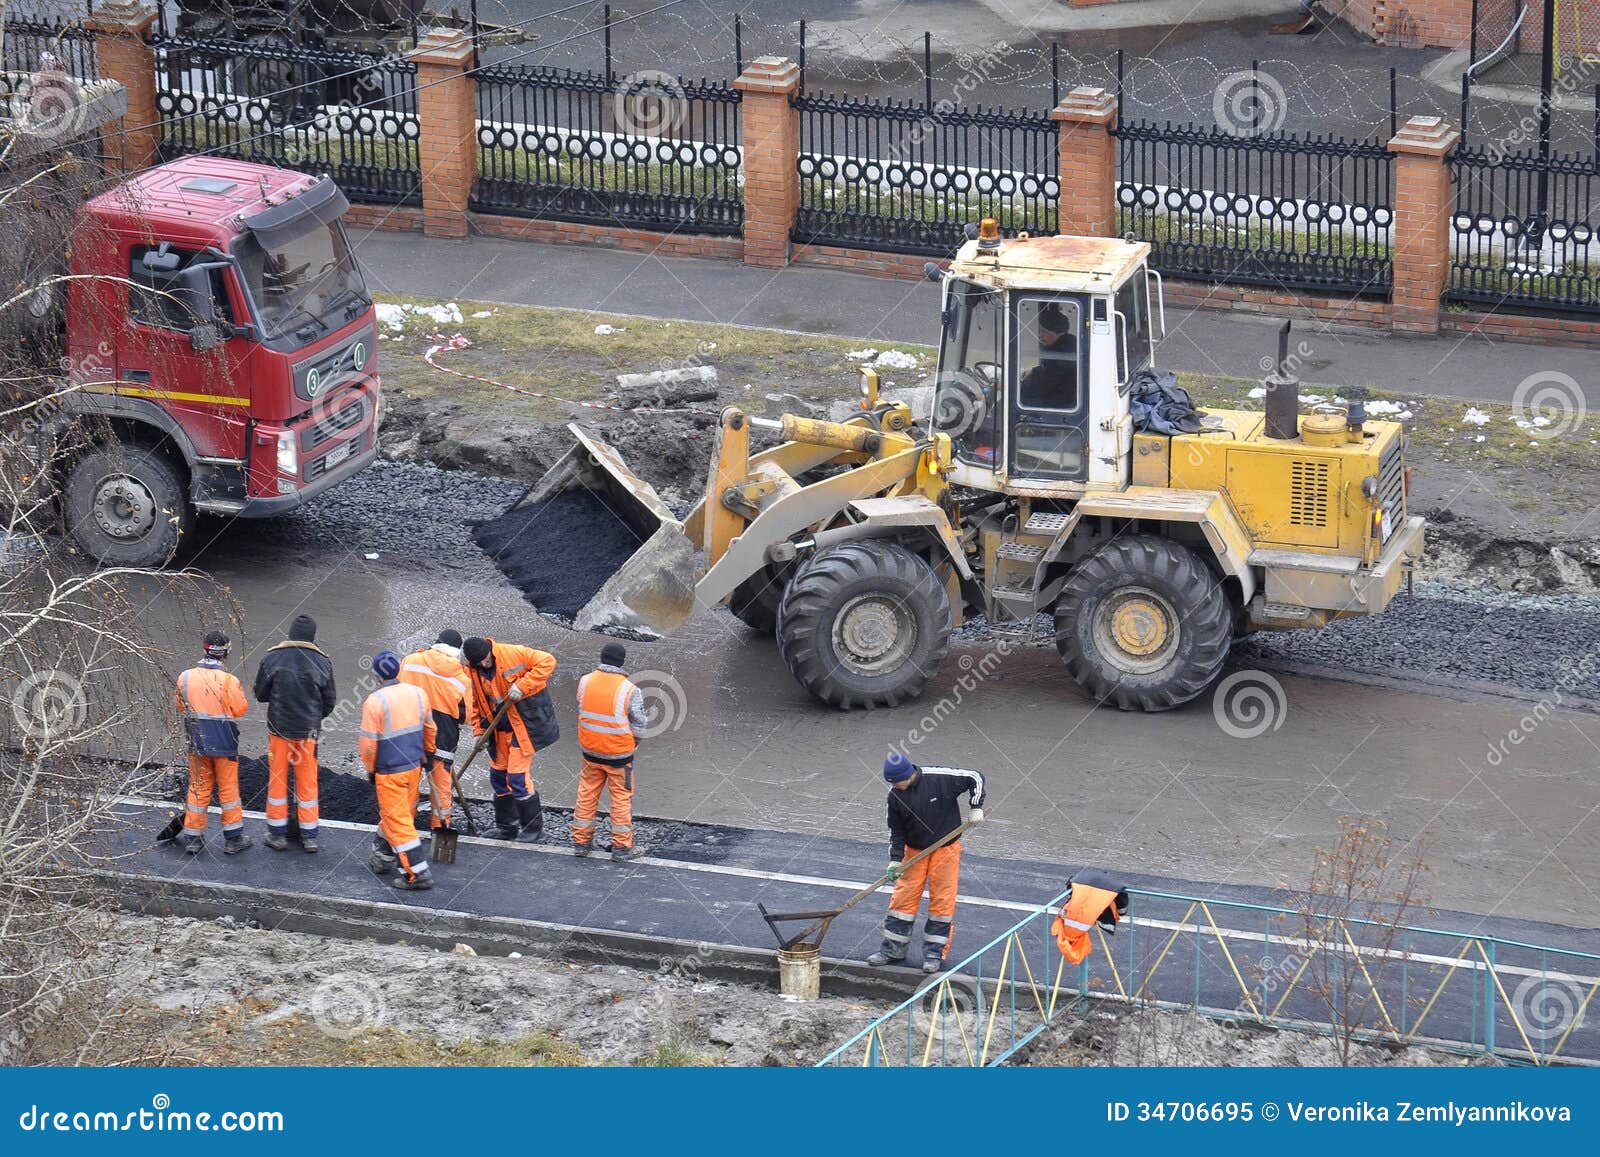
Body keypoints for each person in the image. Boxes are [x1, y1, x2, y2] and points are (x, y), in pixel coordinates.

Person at [866, 752, 987, 973]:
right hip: (913, 851)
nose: (894, 786)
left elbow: (975, 776)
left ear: (908, 774)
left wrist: (976, 806)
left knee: (942, 901)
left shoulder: (940, 779)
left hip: (946, 850)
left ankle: (934, 954)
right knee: (903, 900)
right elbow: (896, 831)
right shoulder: (895, 796)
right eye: (890, 783)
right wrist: (895, 860)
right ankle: (893, 949)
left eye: (896, 782)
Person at [253, 613, 335, 853]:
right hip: (308, 733)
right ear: (313, 636)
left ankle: (277, 834)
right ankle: (309, 836)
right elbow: (330, 701)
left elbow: (260, 693)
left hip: (279, 730)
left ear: (290, 634)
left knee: (277, 781)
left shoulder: (273, 657)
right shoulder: (323, 661)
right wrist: (314, 718)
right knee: (308, 782)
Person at [462, 636, 558, 841]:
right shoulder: (471, 670)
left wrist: (523, 685)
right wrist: (479, 733)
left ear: (490, 651)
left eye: (486, 660)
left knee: (517, 778)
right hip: (499, 732)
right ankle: (507, 827)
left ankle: (534, 830)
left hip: (524, 726)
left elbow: (548, 661)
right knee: (498, 777)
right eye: (479, 663)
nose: (484, 664)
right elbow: (476, 704)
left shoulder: (512, 653)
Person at [360, 650, 437, 891]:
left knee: (397, 821)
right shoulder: (418, 693)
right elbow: (430, 728)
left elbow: (369, 746)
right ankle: (383, 858)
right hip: (413, 766)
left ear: (376, 676)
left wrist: (371, 770)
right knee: (401, 815)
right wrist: (428, 755)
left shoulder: (375, 701)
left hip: (389, 771)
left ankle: (417, 873)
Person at [172, 631, 251, 856]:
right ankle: (233, 839)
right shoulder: (229, 681)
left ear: (205, 649)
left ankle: (193, 839)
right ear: (225, 652)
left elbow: (180, 705)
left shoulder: (185, 677)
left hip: (197, 743)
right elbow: (240, 709)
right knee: (228, 790)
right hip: (225, 745)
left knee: (198, 787)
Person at [573, 641, 650, 862]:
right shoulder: (630, 689)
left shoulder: (585, 682)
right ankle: (622, 848)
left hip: (590, 751)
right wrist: (633, 744)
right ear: (622, 662)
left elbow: (582, 709)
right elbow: (640, 724)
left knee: (586, 794)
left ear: (602, 657)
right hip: (619, 756)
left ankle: (581, 843)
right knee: (620, 799)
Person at [399, 629, 476, 836]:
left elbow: (395, 692)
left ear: (436, 643)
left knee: (408, 782)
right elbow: (466, 716)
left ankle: (403, 826)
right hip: (443, 737)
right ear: (456, 652)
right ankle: (440, 827)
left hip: (409, 732)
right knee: (442, 784)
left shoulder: (410, 661)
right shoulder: (462, 679)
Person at [1018, 302, 1079, 410]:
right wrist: (1033, 371)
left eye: (1043, 331)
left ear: (1056, 333)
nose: (1040, 335)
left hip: (1060, 402)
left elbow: (1048, 379)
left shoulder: (1062, 352)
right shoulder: (1070, 343)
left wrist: (1021, 386)